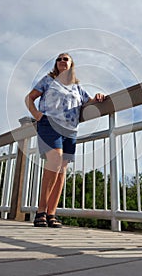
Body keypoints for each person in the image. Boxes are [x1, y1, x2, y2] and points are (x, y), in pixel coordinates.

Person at [25, 52, 105, 228]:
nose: (62, 61)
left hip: (70, 130)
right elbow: (29, 97)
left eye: (65, 59)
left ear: (71, 64)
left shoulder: (77, 88)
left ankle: (51, 214)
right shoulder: (48, 81)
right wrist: (37, 115)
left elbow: (89, 102)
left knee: (62, 170)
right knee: (54, 160)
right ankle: (41, 211)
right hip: (49, 125)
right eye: (59, 59)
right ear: (56, 64)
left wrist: (98, 97)